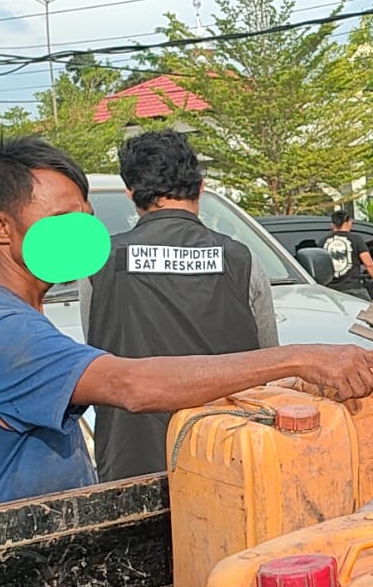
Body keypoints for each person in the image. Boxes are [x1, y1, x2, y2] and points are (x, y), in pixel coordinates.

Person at [0, 136, 373, 518]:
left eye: (86, 217)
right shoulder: (5, 332)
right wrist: (299, 358)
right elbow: (128, 384)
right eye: (62, 218)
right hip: (33, 573)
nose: (82, 233)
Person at [78, 129, 281, 483]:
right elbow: (270, 365)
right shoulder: (242, 260)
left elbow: (98, 355)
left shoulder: (99, 263)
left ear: (131, 193)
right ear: (200, 187)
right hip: (230, 465)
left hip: (133, 468)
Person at [322, 209, 373, 299]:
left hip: (331, 290)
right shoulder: (356, 239)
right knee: (367, 308)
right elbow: (368, 264)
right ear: (349, 222)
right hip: (352, 288)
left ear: (332, 225)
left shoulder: (323, 241)